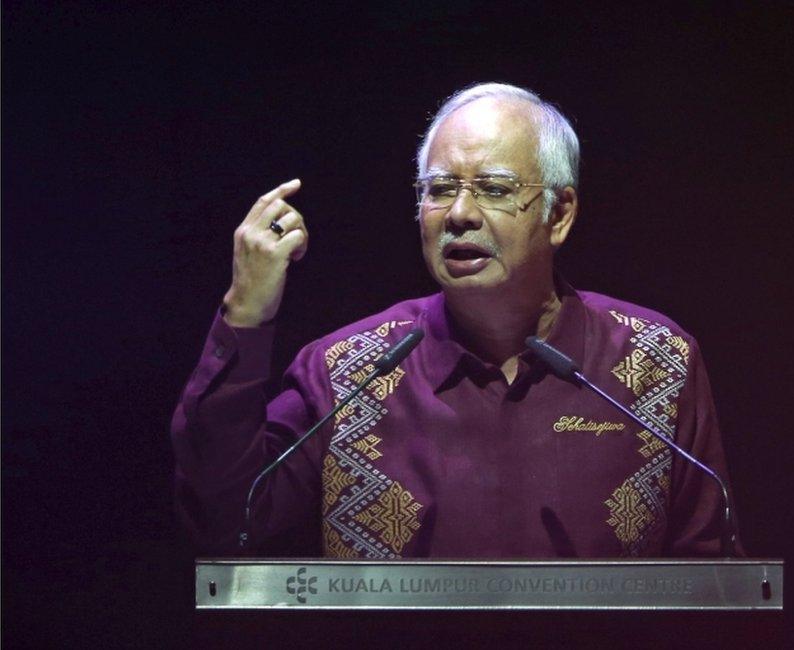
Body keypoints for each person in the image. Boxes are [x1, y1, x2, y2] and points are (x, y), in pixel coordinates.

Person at [172, 83, 742, 558]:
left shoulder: (656, 363)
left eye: (494, 189)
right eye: (439, 190)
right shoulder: (348, 371)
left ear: (560, 214)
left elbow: (711, 577)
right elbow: (225, 518)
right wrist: (245, 312)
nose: (461, 214)